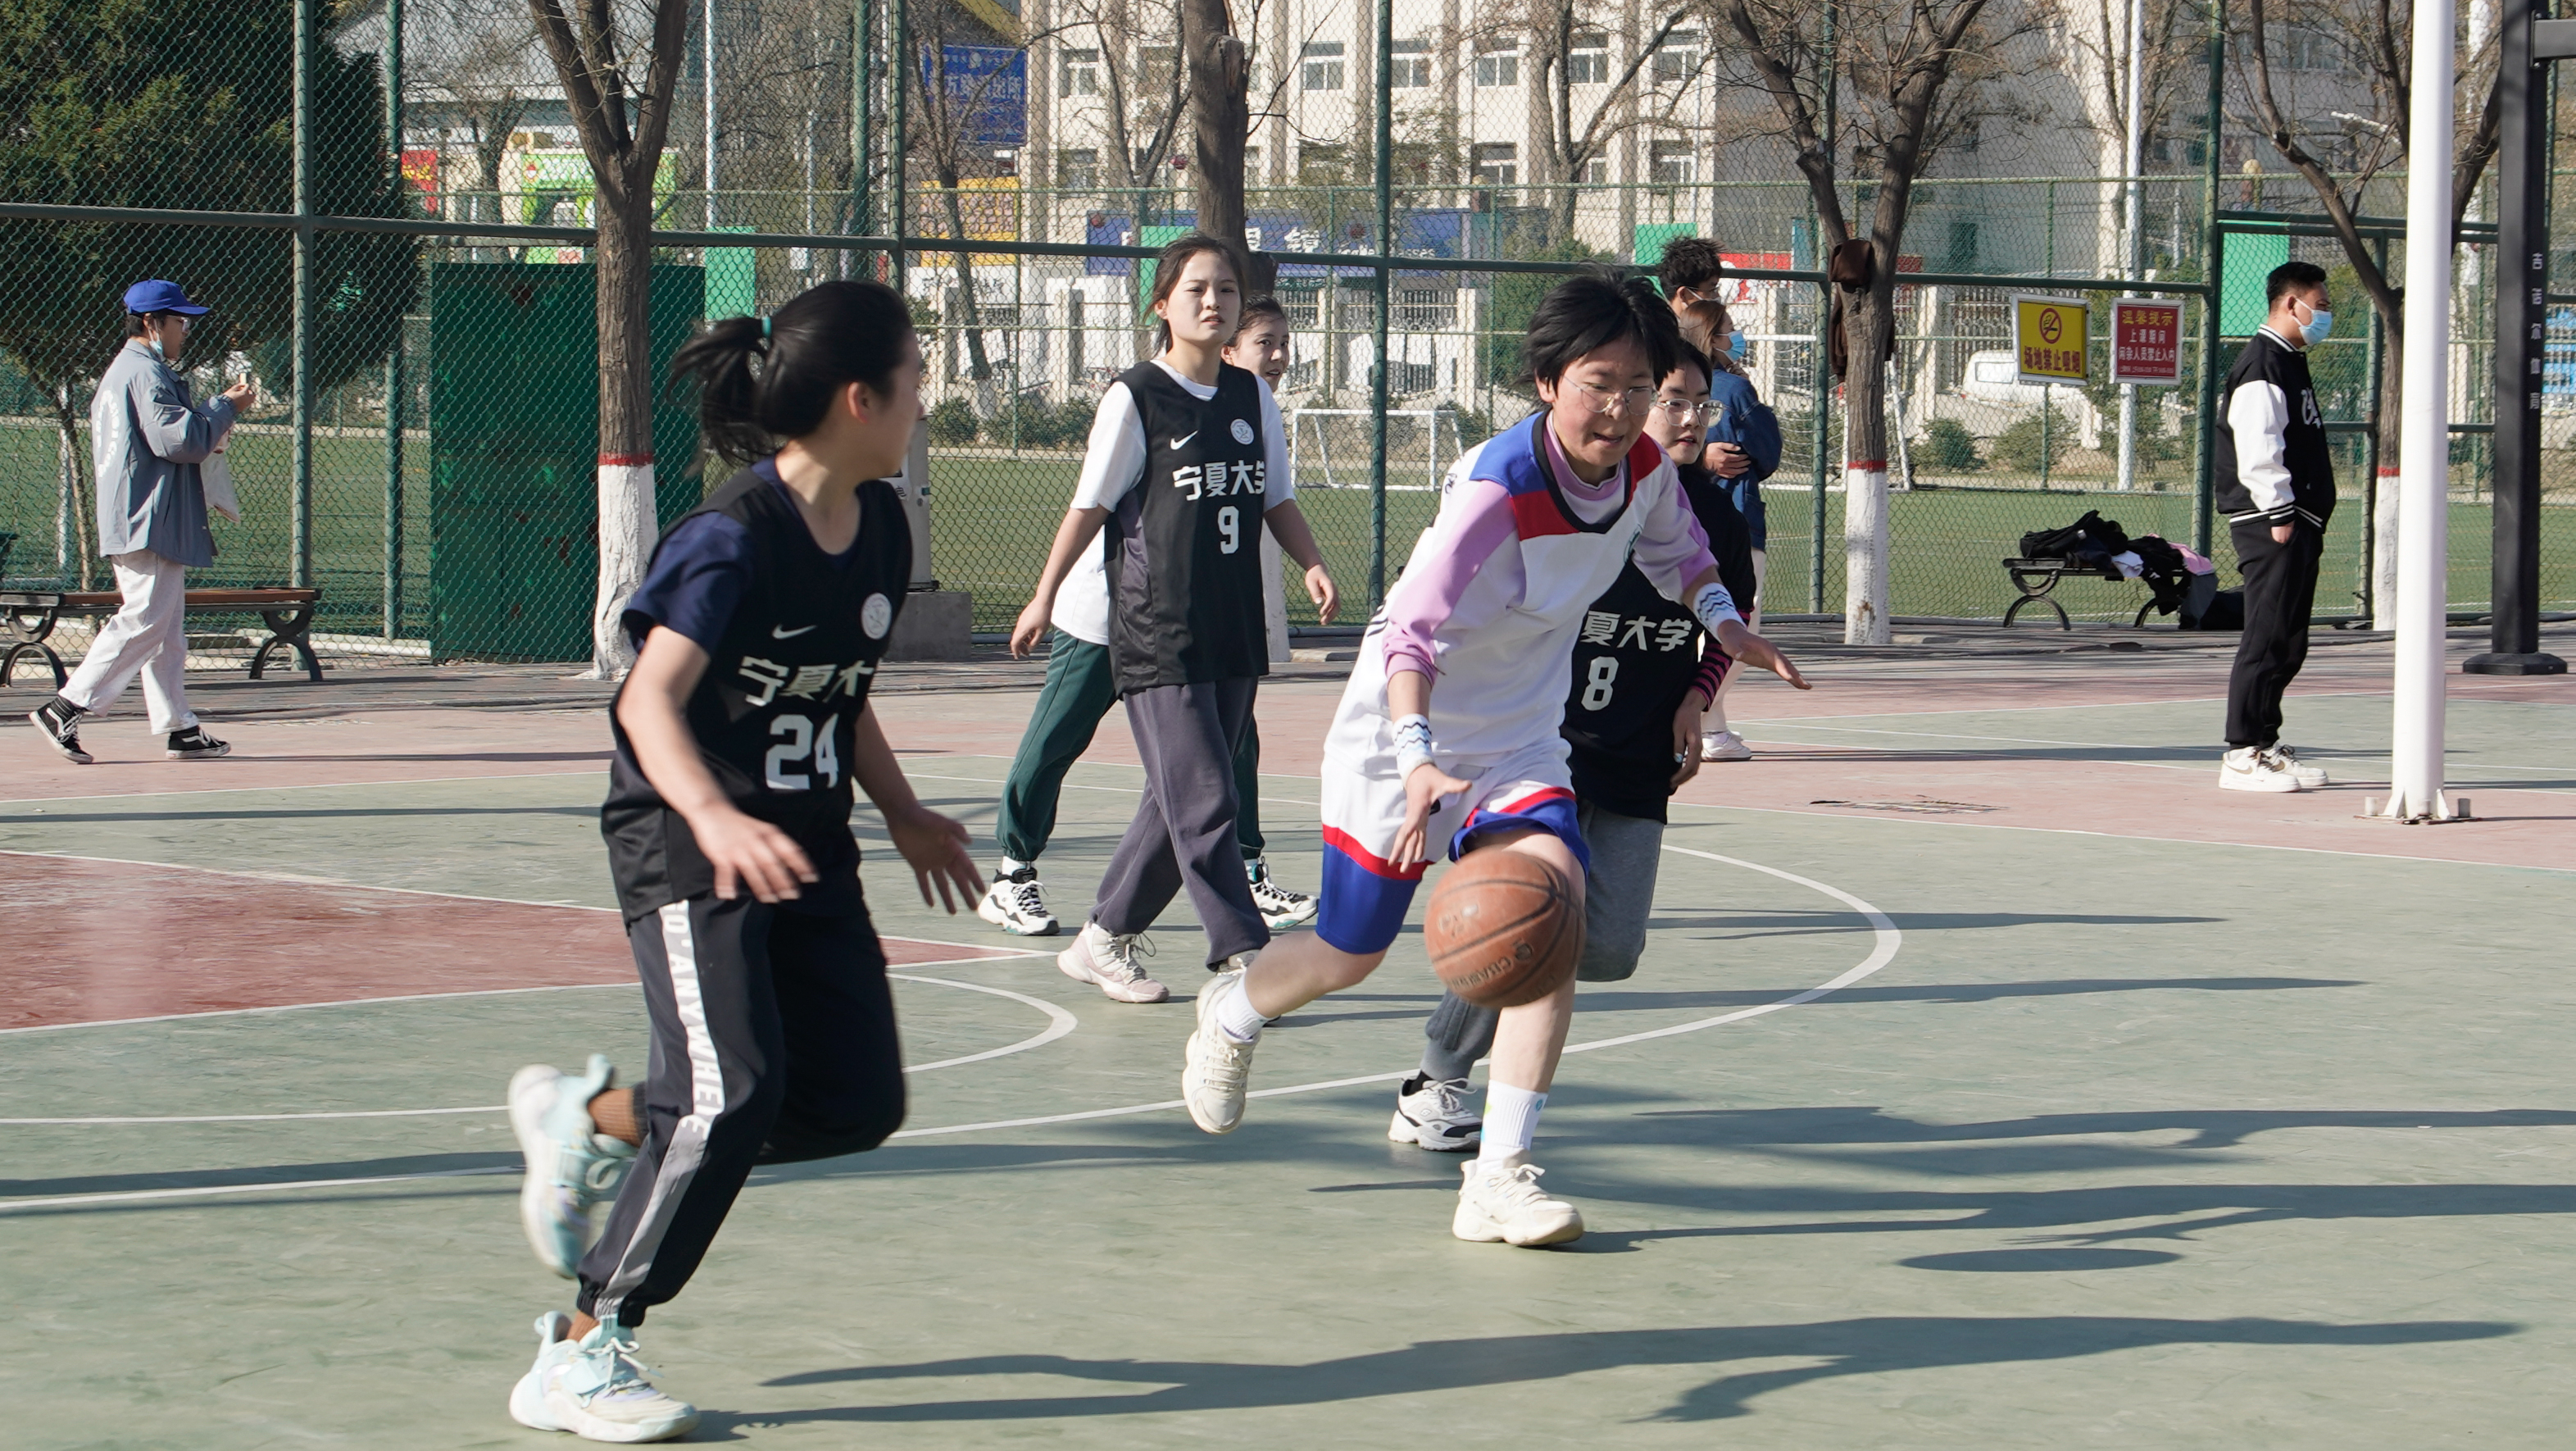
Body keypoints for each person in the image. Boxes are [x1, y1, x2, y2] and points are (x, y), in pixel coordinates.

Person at [1177, 271, 1807, 1249]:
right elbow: (1408, 636)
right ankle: (1234, 1012)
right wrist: (1416, 758)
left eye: (1638, 387)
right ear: (1549, 381)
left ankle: (1498, 1176)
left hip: (1518, 737)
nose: (1621, 409)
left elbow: (1682, 558)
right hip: (1402, 730)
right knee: (1347, 953)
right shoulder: (1497, 488)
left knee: (1552, 912)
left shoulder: (1643, 469)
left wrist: (1726, 626)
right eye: (1599, 384)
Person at [502, 280, 984, 1444]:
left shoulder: (880, 527)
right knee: (728, 1093)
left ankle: (596, 1116)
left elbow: (838, 694)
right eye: (914, 379)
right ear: (858, 398)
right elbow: (646, 704)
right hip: (688, 843)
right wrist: (714, 817)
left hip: (804, 844)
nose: (925, 401)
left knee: (853, 1102)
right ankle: (580, 1348)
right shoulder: (730, 538)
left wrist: (904, 812)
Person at [1391, 339, 1766, 1152]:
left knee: (1608, 947)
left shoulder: (1712, 522)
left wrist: (1696, 701)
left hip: (1640, 749)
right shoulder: (1586, 502)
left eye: (1696, 403)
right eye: (1670, 400)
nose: (1685, 418)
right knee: (1529, 916)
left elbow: (1725, 619)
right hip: (1546, 740)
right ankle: (1437, 1081)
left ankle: (1495, 1047)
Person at [1009, 238, 1338, 1006]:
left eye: (1226, 289)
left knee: (1176, 802)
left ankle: (1101, 939)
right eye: (1196, 289)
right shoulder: (1135, 398)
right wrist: (1042, 595)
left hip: (1233, 624)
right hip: (1159, 628)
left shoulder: (1250, 396)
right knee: (1207, 798)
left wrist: (1312, 561)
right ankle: (1244, 958)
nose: (1213, 301)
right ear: (1162, 305)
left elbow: (1274, 497)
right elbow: (1089, 507)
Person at [26, 280, 252, 765]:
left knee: (165, 630)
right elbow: (180, 441)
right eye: (180, 321)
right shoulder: (144, 372)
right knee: (145, 619)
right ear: (153, 322)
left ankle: (180, 727)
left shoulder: (130, 369)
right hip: (149, 513)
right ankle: (66, 706)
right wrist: (225, 407)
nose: (185, 330)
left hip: (142, 510)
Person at [1656, 237, 1783, 763]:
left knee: (1712, 622)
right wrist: (1703, 457)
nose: (1692, 417)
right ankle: (1704, 725)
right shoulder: (1724, 383)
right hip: (1719, 518)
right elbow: (1767, 450)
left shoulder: (1681, 368)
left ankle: (1708, 723)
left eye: (1702, 407)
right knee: (1729, 624)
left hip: (1700, 518)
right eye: (1710, 292)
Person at [2215, 261, 2336, 794]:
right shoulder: (2262, 364)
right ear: (2292, 303)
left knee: (2287, 640)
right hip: (2271, 522)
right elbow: (2257, 446)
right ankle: (2241, 753)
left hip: (2294, 519)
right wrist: (2279, 511)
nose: (2324, 315)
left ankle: (2265, 744)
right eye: (2320, 304)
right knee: (2266, 636)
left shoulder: (2288, 360)